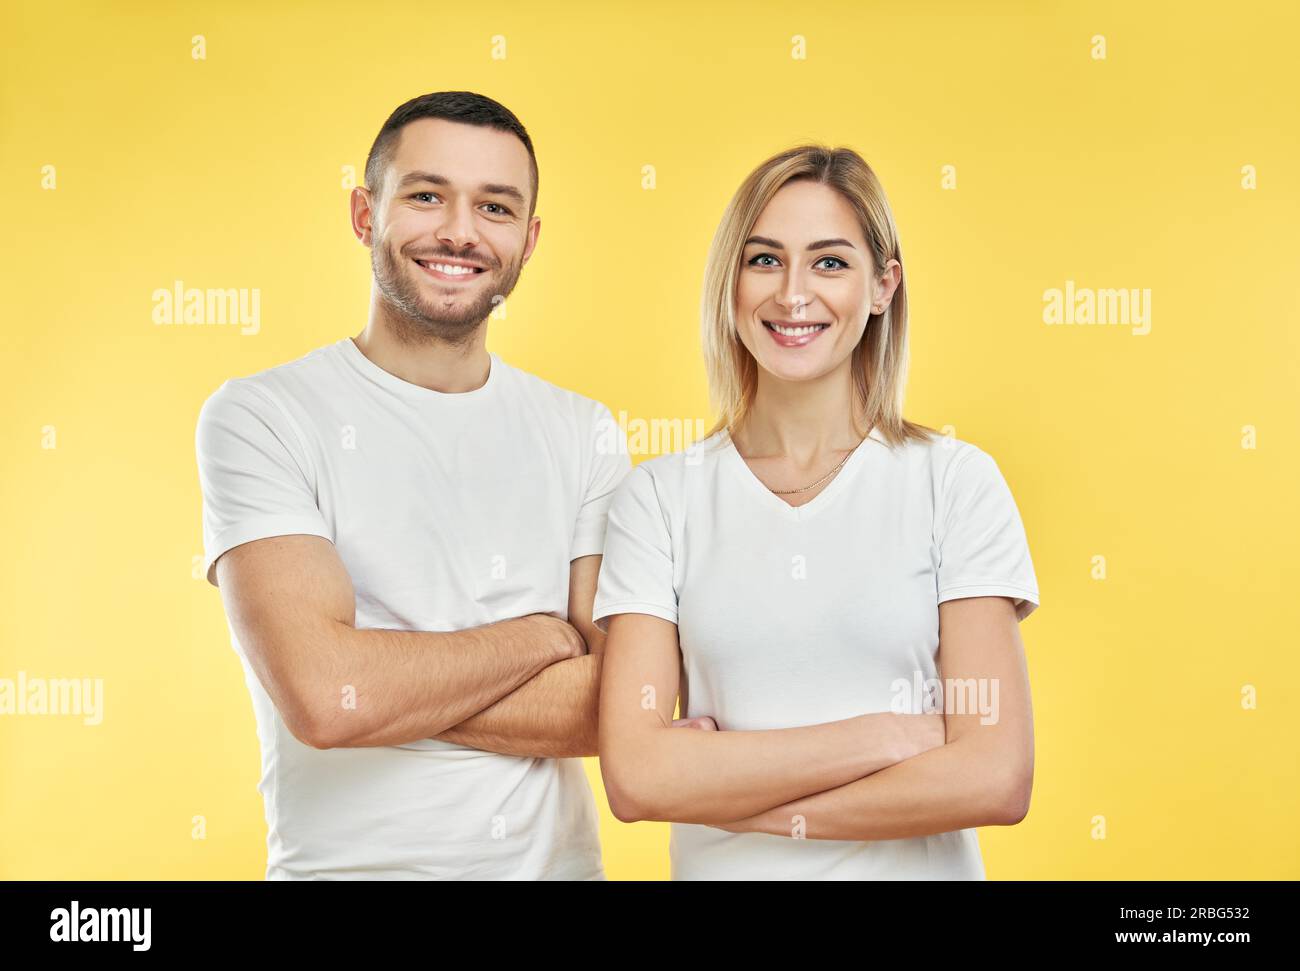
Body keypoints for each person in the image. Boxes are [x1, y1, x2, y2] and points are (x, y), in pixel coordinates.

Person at [195, 91, 629, 880]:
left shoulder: (583, 430)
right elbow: (326, 698)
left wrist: (379, 680)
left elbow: (617, 707)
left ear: (528, 241)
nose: (460, 231)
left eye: (494, 207)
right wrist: (544, 637)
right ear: (365, 214)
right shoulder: (262, 416)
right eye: (427, 195)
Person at [593, 144, 1040, 880]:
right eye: (764, 260)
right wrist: (886, 735)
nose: (792, 294)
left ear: (882, 285)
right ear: (730, 282)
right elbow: (638, 777)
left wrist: (719, 789)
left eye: (829, 262)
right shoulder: (660, 498)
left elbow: (996, 777)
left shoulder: (955, 483)